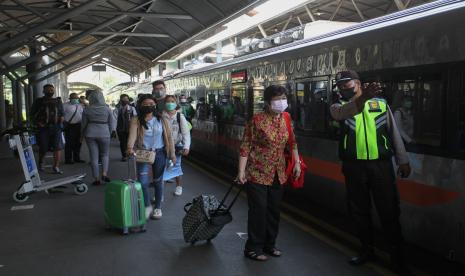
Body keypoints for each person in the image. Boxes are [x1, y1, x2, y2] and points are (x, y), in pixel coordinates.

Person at [329, 70, 411, 272]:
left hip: (380, 166)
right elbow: (342, 114)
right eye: (339, 86)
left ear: (358, 83)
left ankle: (397, 258)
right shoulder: (338, 106)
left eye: (346, 84)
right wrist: (363, 97)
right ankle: (367, 251)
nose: (342, 88)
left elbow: (393, 133)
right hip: (354, 167)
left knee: (389, 211)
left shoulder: (381, 104)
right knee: (359, 211)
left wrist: (403, 160)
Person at [236, 85, 301, 261]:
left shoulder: (286, 118)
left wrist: (297, 163)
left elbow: (292, 142)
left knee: (273, 210)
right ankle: (253, 247)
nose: (281, 102)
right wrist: (241, 171)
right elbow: (246, 146)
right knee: (258, 210)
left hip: (278, 172)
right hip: (257, 172)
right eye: (277, 99)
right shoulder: (256, 120)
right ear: (267, 102)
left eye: (283, 98)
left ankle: (269, 244)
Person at [127, 94, 176, 220]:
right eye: (145, 104)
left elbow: (169, 138)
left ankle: (158, 207)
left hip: (160, 153)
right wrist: (129, 147)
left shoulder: (162, 119)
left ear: (155, 105)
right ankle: (147, 205)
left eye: (151, 104)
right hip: (143, 153)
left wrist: (172, 154)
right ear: (140, 105)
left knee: (158, 181)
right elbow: (132, 136)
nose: (149, 106)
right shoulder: (136, 120)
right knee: (142, 182)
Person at [81, 90, 113, 186]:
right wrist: (109, 133)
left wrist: (81, 134)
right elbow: (111, 123)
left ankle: (96, 178)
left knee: (93, 157)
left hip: (90, 133)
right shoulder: (107, 109)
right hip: (104, 133)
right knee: (105, 155)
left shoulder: (87, 109)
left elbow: (83, 124)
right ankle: (104, 173)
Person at [30, 84, 65, 174]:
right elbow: (32, 114)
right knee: (43, 147)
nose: (50, 91)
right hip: (43, 128)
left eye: (51, 90)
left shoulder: (58, 101)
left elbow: (62, 113)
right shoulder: (39, 101)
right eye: (48, 90)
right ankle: (41, 163)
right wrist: (38, 123)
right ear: (43, 91)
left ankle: (56, 166)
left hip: (56, 127)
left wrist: (61, 118)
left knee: (58, 148)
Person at [162, 95, 191, 196]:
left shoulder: (179, 117)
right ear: (164, 104)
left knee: (176, 166)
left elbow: (186, 133)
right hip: (163, 146)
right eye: (168, 101)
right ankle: (160, 192)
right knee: (163, 168)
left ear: (176, 103)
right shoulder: (161, 116)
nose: (170, 103)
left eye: (172, 101)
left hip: (177, 146)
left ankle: (179, 186)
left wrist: (186, 146)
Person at [114, 94, 137, 162]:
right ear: (121, 100)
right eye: (123, 99)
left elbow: (135, 117)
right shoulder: (117, 108)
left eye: (126, 99)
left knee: (129, 142)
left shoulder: (132, 108)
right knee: (122, 142)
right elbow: (115, 119)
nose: (125, 101)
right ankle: (124, 156)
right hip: (121, 128)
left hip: (130, 128)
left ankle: (130, 154)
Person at [63, 93, 84, 164]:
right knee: (69, 143)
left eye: (77, 98)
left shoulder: (80, 106)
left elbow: (83, 114)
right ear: (70, 98)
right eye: (73, 98)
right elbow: (61, 115)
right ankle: (68, 159)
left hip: (79, 126)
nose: (75, 100)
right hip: (69, 126)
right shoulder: (65, 105)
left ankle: (77, 158)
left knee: (78, 143)